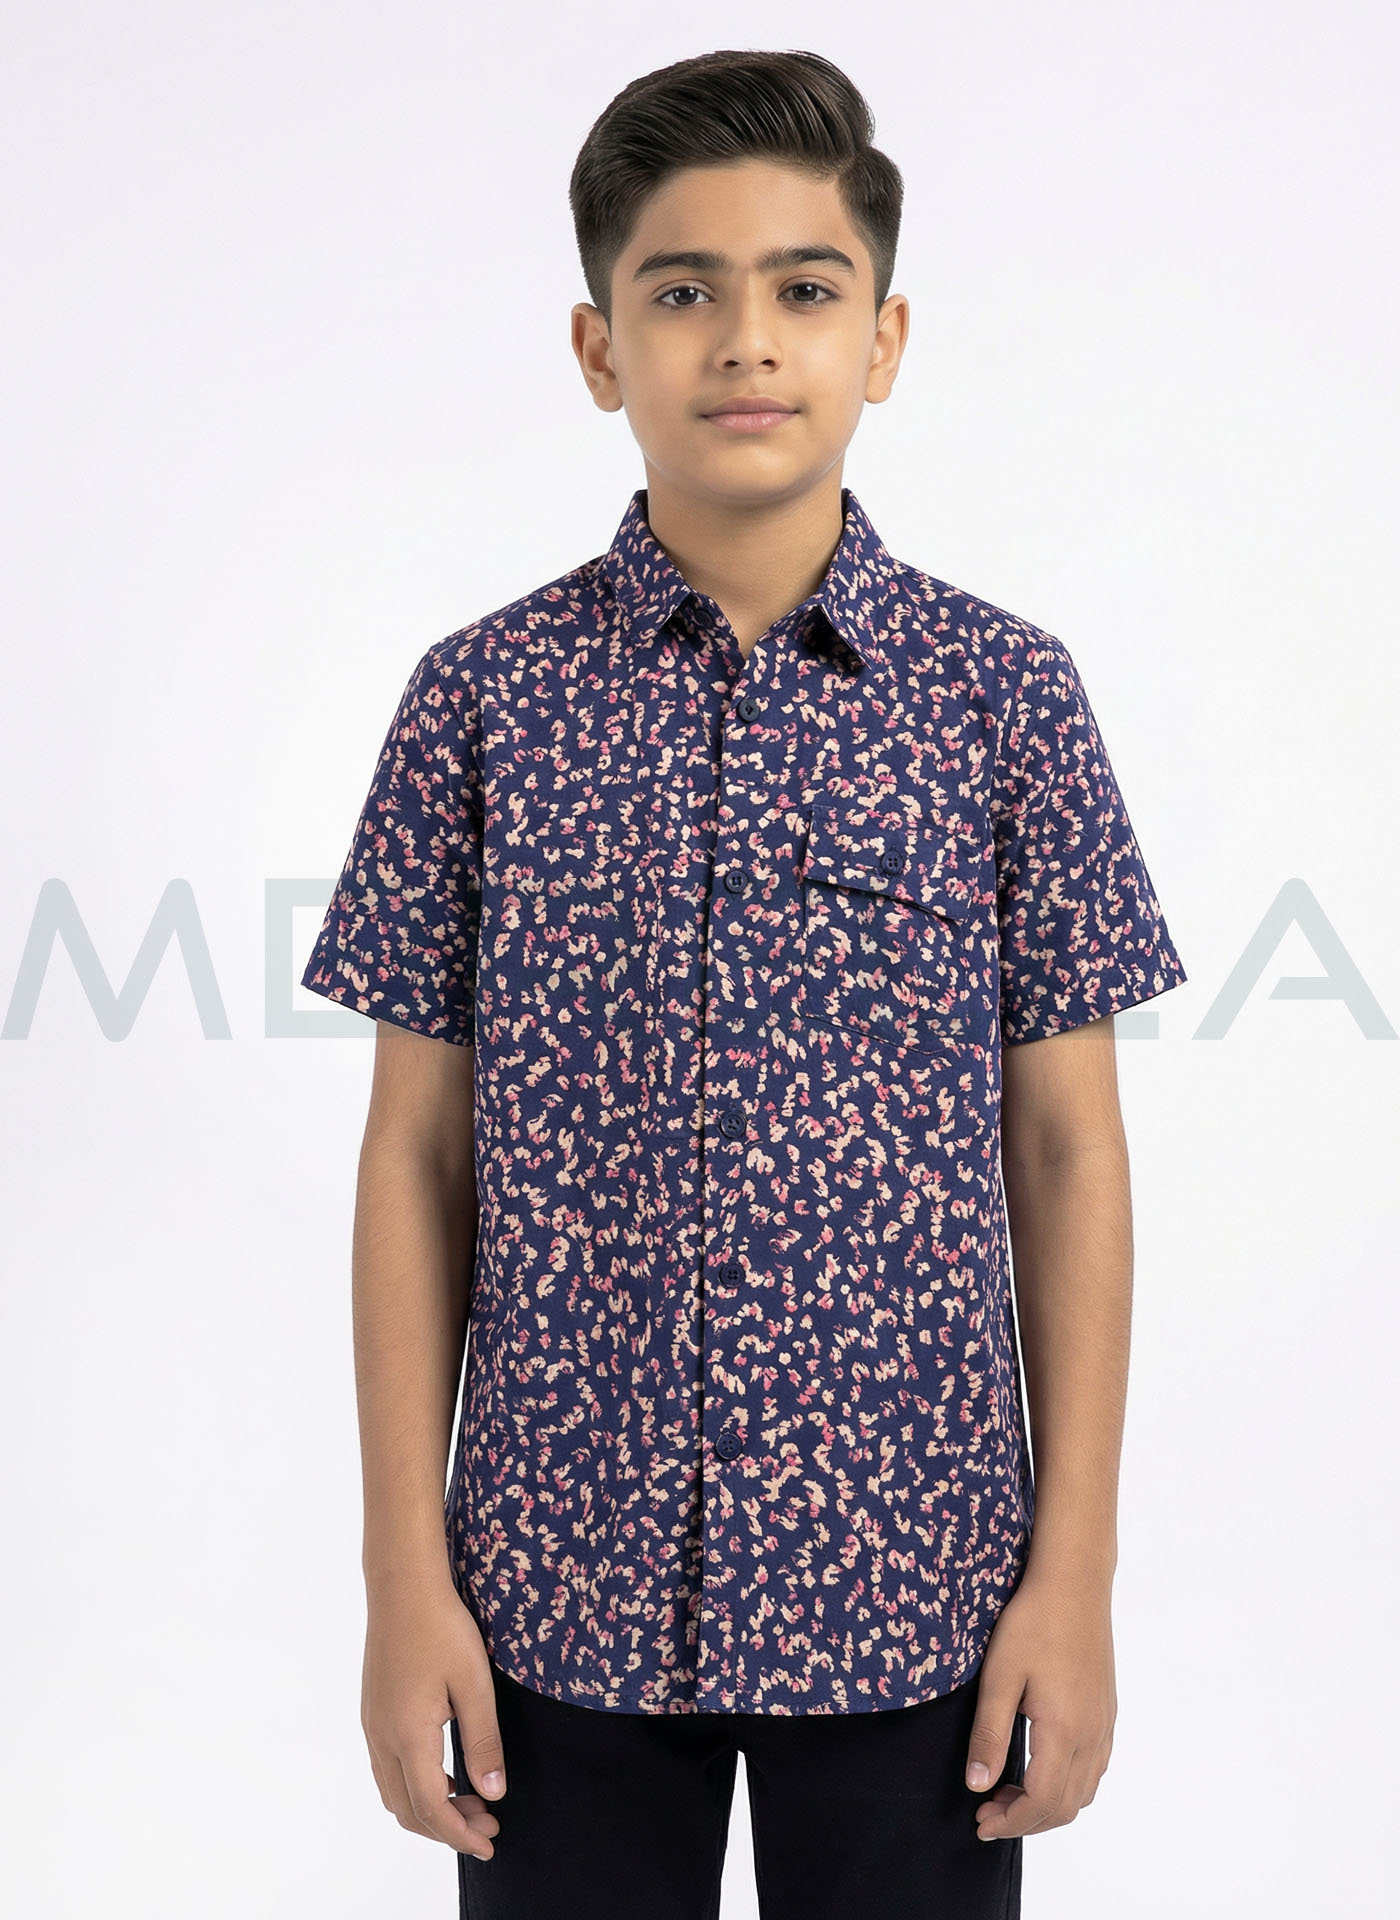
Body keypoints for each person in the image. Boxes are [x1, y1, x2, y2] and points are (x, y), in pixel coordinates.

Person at [299, 46, 1188, 1920]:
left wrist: (1076, 1579)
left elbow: (1069, 1154)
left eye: (806, 287)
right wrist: (403, 1580)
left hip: (919, 1592)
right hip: (551, 1594)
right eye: (683, 291)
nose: (747, 340)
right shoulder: (482, 703)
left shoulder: (1005, 702)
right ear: (598, 347)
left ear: (885, 340)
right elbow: (414, 1160)